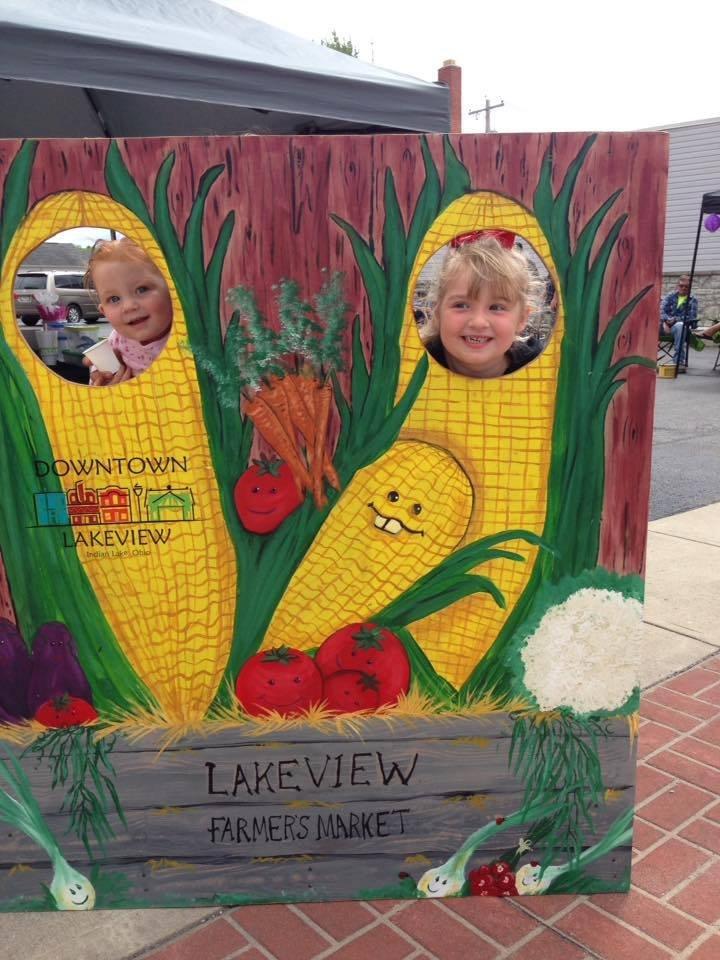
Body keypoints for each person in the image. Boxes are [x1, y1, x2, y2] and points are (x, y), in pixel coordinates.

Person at [421, 234, 544, 378]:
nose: (478, 322)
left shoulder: (544, 372)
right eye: (461, 305)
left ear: (522, 319)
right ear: (437, 312)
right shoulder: (411, 365)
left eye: (496, 307)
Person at [83, 238, 173, 386]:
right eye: (114, 299)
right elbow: (100, 376)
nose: (129, 306)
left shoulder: (186, 334)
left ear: (172, 290)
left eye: (142, 289)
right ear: (103, 311)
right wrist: (99, 374)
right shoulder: (117, 340)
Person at [660, 275, 698, 367]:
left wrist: (674, 320)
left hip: (679, 328)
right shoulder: (670, 296)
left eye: (686, 286)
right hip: (663, 326)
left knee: (680, 326)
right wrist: (666, 321)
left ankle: (678, 361)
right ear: (677, 286)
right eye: (681, 286)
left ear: (690, 288)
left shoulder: (693, 300)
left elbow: (691, 317)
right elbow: (661, 311)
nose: (684, 288)